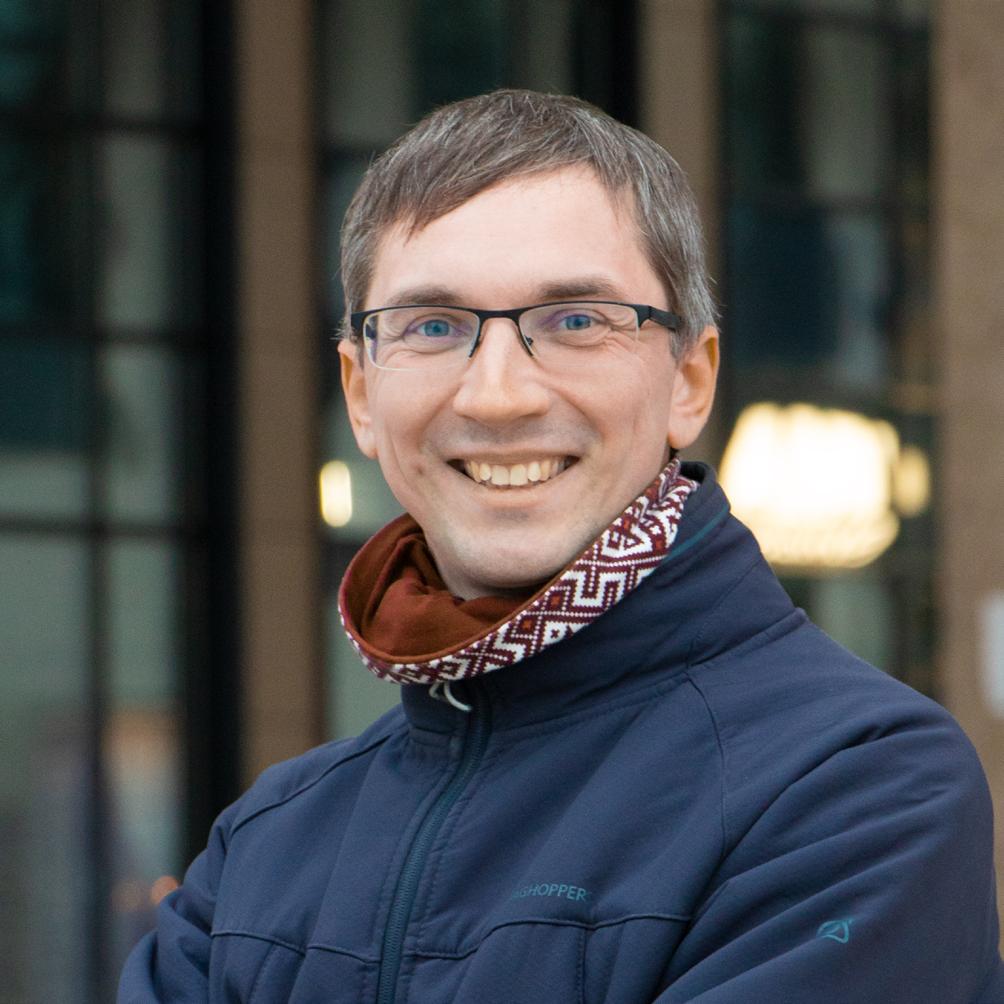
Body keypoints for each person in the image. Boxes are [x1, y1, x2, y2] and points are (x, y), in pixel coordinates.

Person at [120, 89, 1004, 1003]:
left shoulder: (859, 786)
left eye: (575, 321)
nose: (498, 396)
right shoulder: (262, 848)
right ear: (360, 396)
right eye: (433, 327)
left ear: (690, 380)